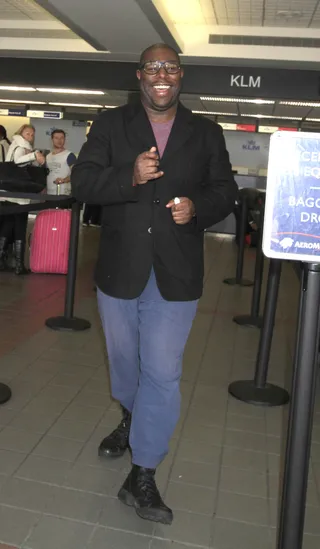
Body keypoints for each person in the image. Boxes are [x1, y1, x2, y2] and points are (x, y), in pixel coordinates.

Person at [71, 43, 237, 525]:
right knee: (125, 366)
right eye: (153, 68)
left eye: (170, 68)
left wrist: (198, 210)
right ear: (139, 75)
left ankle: (142, 472)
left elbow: (223, 190)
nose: (161, 75)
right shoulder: (109, 124)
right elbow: (83, 182)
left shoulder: (206, 132)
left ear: (180, 76)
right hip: (120, 270)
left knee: (161, 372)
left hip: (176, 272)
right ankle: (130, 415)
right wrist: (129, 176)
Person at [0, 125, 45, 274]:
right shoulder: (21, 146)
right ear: (21, 133)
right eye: (27, 133)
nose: (30, 136)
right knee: (20, 226)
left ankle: (1, 259)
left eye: (32, 134)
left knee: (8, 225)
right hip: (19, 194)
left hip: (8, 193)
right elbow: (18, 162)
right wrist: (34, 155)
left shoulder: (14, 145)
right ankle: (19, 265)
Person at [46, 129, 76, 195]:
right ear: (52, 140)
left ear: (65, 139)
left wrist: (64, 180)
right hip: (49, 193)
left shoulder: (69, 155)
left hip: (63, 193)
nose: (59, 141)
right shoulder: (48, 156)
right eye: (56, 138)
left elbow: (76, 174)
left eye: (62, 138)